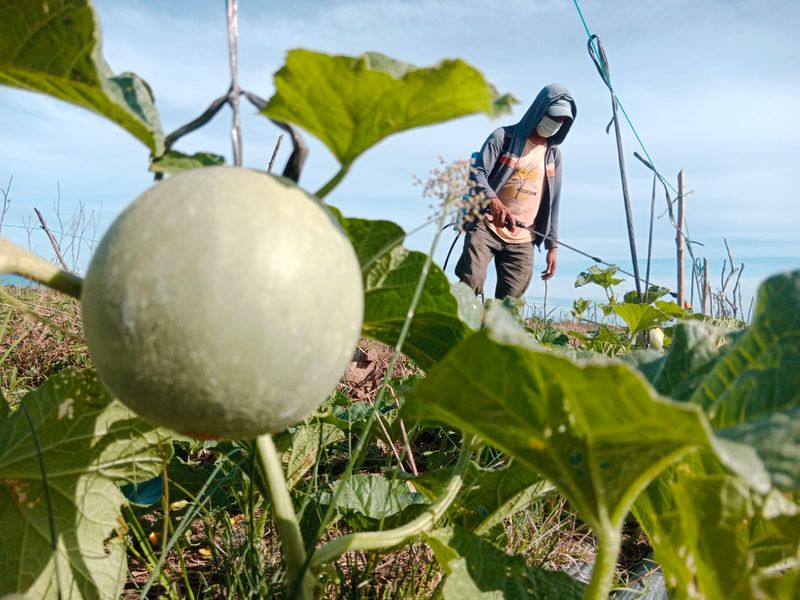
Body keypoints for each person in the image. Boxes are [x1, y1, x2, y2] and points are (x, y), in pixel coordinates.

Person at [455, 83, 576, 299]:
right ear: (540, 110)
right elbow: (478, 171)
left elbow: (554, 202)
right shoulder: (503, 138)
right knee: (470, 282)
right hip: (486, 225)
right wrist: (494, 200)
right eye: (553, 117)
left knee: (510, 304)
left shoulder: (553, 156)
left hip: (524, 236)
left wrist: (552, 246)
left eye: (562, 121)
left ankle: (493, 332)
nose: (556, 124)